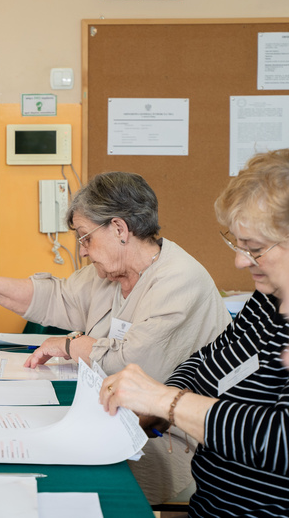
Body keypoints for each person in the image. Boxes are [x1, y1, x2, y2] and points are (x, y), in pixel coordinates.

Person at [0, 171, 230, 503]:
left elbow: (133, 364)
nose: (81, 251)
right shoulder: (108, 273)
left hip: (166, 439)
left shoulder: (179, 279)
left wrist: (70, 344)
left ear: (119, 229)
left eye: (85, 237)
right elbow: (56, 297)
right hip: (114, 416)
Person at [100, 149, 289, 517]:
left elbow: (278, 439)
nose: (239, 261)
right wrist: (163, 402)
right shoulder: (269, 298)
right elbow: (212, 357)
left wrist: (166, 403)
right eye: (237, 244)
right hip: (211, 506)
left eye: (254, 249)